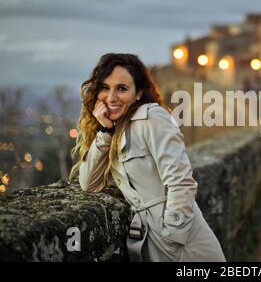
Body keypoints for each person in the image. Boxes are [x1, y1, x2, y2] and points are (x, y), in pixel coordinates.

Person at [69, 53, 226, 262]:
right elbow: (89, 184)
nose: (111, 97)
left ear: (138, 93)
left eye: (122, 89)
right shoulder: (114, 130)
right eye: (105, 88)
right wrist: (105, 132)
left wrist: (172, 236)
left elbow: (181, 181)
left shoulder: (152, 117)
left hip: (184, 247)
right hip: (148, 244)